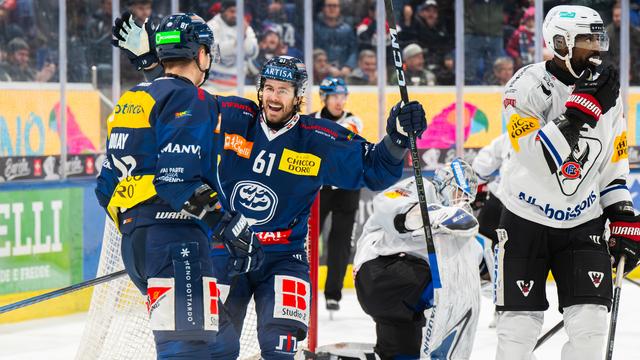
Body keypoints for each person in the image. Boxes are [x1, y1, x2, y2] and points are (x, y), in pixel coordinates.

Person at [113, 16, 429, 358]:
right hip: (224, 250)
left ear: (298, 96)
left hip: (284, 258)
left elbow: (377, 168)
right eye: (268, 88)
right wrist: (150, 64)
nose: (273, 97)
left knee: (278, 348)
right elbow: (180, 105)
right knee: (211, 346)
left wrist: (397, 137)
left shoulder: (319, 139)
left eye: (283, 90)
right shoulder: (232, 114)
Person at [97, 13, 263, 358]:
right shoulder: (193, 100)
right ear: (202, 54)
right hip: (177, 244)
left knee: (220, 344)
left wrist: (139, 227)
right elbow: (176, 181)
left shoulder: (134, 97)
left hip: (138, 244)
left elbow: (104, 186)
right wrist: (230, 226)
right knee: (189, 352)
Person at [494, 5, 640, 359]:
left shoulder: (608, 93)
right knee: (517, 334)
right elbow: (539, 158)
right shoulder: (523, 88)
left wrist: (621, 213)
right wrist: (580, 110)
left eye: (597, 39)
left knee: (590, 332)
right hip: (524, 220)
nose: (595, 49)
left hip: (582, 221)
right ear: (559, 43)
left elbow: (612, 162)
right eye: (585, 40)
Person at [354, 159, 485, 359]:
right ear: (444, 183)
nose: (462, 201)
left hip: (402, 300)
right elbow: (386, 203)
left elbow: (474, 266)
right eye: (459, 193)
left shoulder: (457, 225)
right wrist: (431, 216)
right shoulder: (422, 187)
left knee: (402, 354)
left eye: (467, 196)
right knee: (448, 278)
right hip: (380, 270)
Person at [310, 77, 363, 311]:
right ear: (324, 98)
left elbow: (338, 141)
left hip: (346, 188)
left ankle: (333, 294)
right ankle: (307, 287)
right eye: (334, 96)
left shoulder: (353, 120)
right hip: (318, 189)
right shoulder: (310, 120)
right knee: (310, 240)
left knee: (340, 242)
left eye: (343, 96)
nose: (339, 101)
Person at [206, 0, 259, 89]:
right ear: (223, 11)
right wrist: (238, 41)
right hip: (212, 84)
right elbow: (214, 53)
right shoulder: (211, 26)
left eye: (238, 12)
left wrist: (244, 36)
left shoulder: (245, 28)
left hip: (237, 85)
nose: (235, 15)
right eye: (232, 11)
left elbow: (253, 53)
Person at [313, 0, 357, 77]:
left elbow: (353, 50)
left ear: (339, 9)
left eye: (335, 6)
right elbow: (314, 51)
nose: (332, 8)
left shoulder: (347, 29)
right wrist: (327, 66)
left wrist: (348, 66)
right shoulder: (315, 28)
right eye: (329, 6)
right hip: (322, 72)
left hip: (345, 71)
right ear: (323, 8)